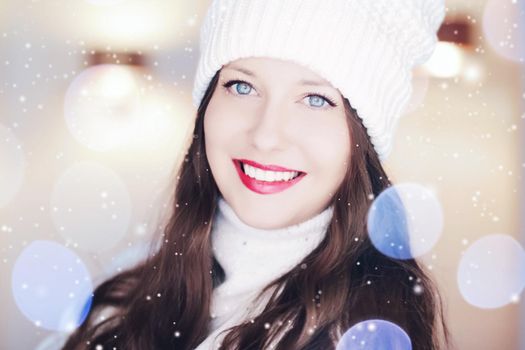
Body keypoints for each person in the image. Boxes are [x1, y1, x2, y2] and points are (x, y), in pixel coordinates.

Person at [62, 0, 452, 349]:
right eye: (242, 86)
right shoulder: (120, 309)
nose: (266, 136)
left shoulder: (367, 336)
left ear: (360, 142)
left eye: (316, 99)